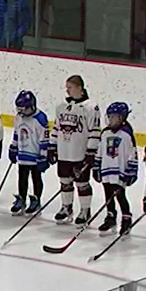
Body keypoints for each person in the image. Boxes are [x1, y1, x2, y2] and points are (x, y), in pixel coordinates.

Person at [49, 74, 101, 225]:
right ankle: (66, 207)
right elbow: (56, 127)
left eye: (70, 88)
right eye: (66, 88)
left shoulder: (91, 107)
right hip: (64, 151)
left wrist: (91, 152)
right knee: (64, 180)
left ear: (80, 88)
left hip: (79, 152)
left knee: (82, 183)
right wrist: (52, 146)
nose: (67, 91)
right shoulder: (61, 106)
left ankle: (85, 210)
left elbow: (94, 130)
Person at [94, 102, 138, 236]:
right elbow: (100, 150)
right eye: (109, 116)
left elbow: (133, 154)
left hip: (120, 172)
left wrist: (131, 171)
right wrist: (96, 166)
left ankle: (126, 219)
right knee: (108, 195)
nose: (110, 119)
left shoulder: (127, 134)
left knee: (120, 195)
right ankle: (110, 217)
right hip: (106, 169)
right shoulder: (105, 133)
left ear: (122, 118)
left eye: (114, 117)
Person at [9, 90, 49, 217]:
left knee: (36, 178)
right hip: (22, 153)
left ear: (32, 106)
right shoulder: (19, 117)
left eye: (24, 109)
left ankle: (36, 199)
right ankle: (21, 198)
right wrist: (13, 147)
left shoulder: (40, 118)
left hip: (35, 155)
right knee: (22, 177)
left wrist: (43, 156)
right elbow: (16, 132)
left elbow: (44, 139)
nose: (21, 112)